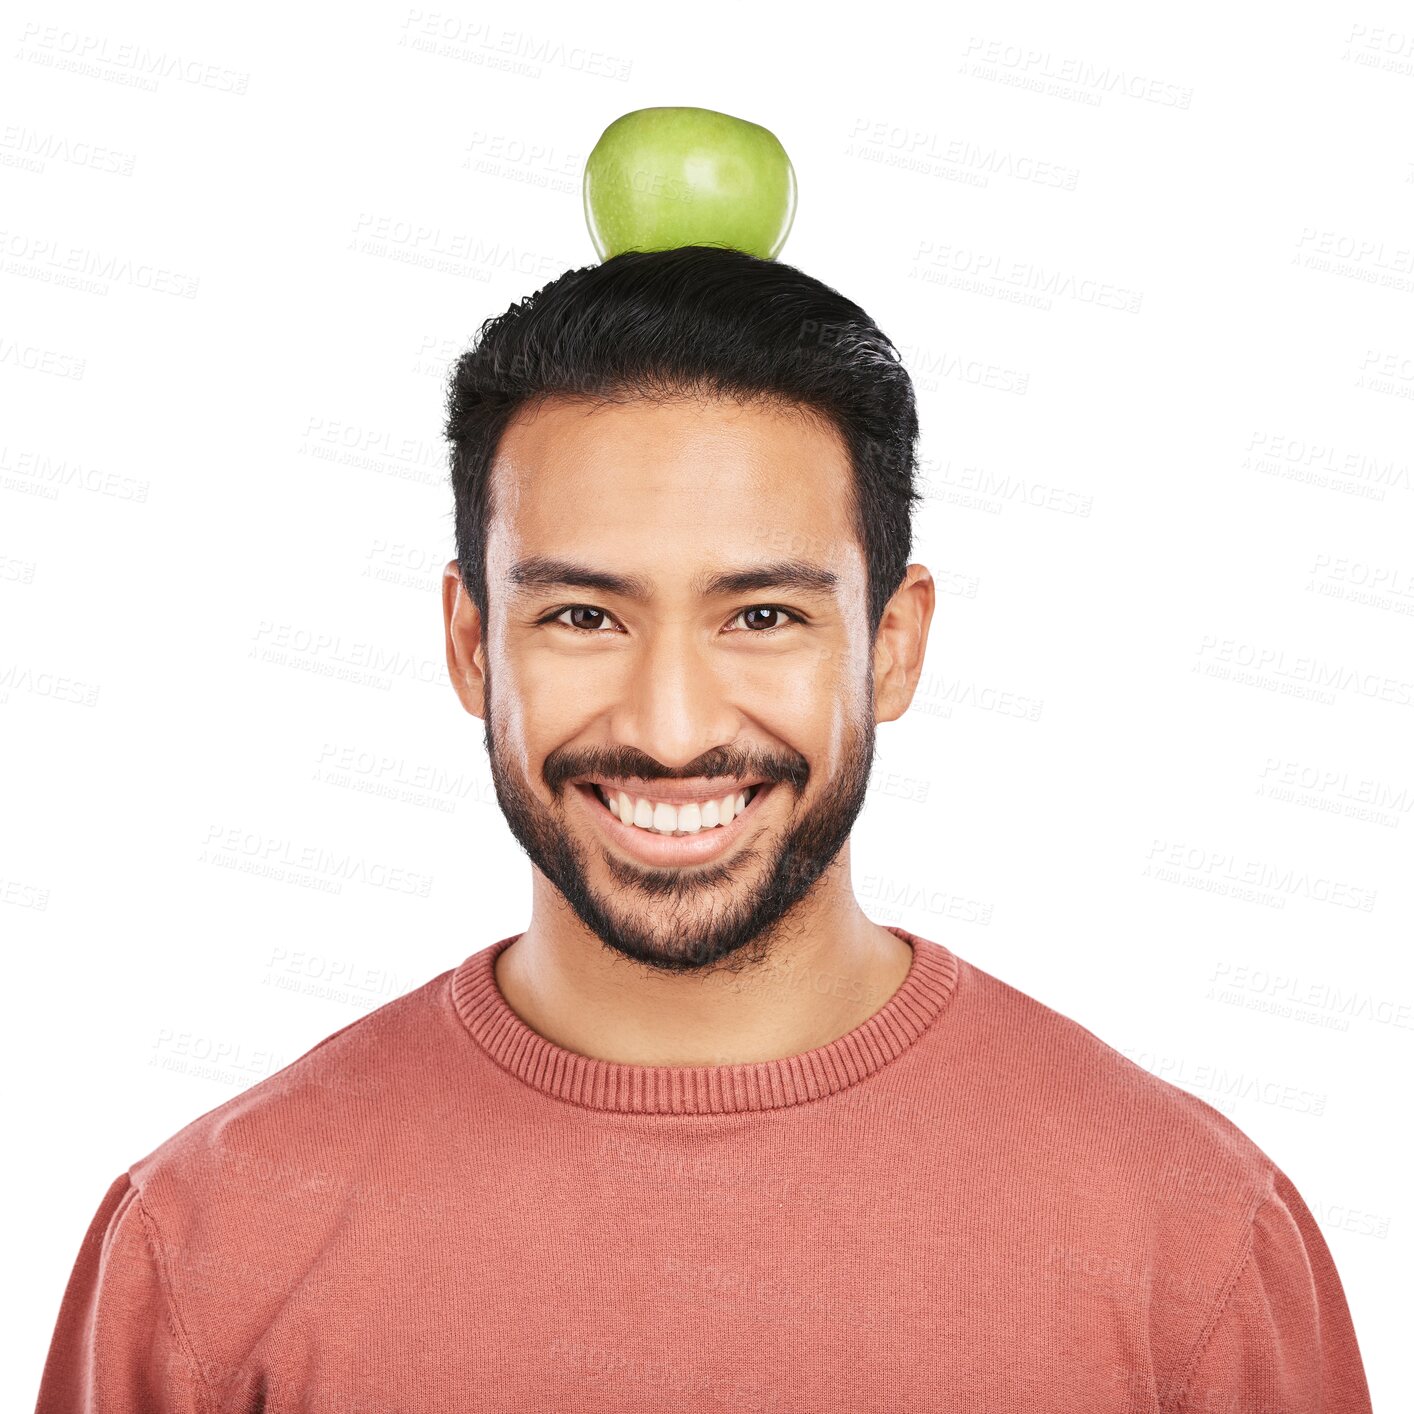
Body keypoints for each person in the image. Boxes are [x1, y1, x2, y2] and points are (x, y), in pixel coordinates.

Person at [35, 247, 1372, 1412]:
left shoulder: (1189, 1237)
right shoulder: (204, 1241)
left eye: (761, 615)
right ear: (467, 641)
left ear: (891, 646)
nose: (672, 726)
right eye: (582, 615)